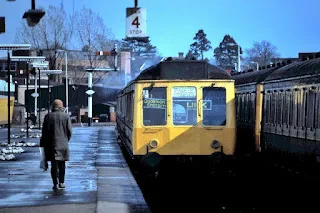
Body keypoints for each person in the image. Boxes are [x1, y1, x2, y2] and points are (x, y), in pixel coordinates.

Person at [40, 99, 72, 190]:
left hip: (51, 144)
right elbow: (69, 131)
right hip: (63, 144)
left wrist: (44, 144)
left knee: (54, 164)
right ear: (61, 107)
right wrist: (66, 140)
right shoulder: (66, 117)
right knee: (62, 164)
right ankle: (62, 182)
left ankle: (55, 183)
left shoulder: (48, 117)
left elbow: (44, 132)